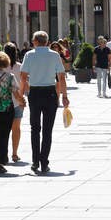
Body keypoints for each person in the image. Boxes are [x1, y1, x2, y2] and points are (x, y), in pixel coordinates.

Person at [20, 31, 68, 173]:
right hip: (50, 93)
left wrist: (21, 95)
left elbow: (23, 77)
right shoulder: (54, 55)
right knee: (47, 130)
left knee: (35, 128)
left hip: (35, 93)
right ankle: (44, 162)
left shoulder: (29, 55)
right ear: (47, 42)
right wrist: (64, 96)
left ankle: (35, 161)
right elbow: (61, 77)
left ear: (34, 41)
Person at [3, 42, 24, 162]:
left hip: (3, 102)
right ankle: (15, 153)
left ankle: (4, 153)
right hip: (17, 101)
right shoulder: (20, 67)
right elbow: (24, 84)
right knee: (16, 128)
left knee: (4, 129)